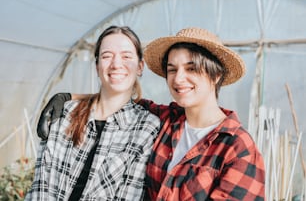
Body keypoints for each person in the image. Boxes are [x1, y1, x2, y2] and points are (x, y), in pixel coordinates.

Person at [36, 27, 266, 200]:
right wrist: (68, 97)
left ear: (216, 76)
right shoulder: (167, 120)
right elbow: (118, 96)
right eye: (172, 69)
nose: (178, 79)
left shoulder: (238, 149)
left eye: (191, 68)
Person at [25, 25, 160, 201]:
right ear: (97, 66)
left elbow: (129, 195)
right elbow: (42, 187)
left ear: (140, 67)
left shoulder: (146, 128)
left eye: (126, 56)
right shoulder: (65, 114)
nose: (116, 64)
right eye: (106, 56)